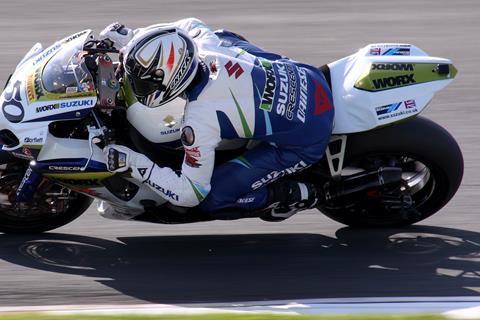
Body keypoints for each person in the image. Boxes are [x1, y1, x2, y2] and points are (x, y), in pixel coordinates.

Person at [100, 18, 334, 220]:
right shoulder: (202, 42)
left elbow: (190, 194)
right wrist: (131, 39)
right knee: (226, 37)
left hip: (308, 135)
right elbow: (184, 25)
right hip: (307, 76)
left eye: (142, 82)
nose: (133, 84)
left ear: (172, 80)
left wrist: (133, 163)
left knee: (214, 199)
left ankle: (294, 194)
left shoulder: (201, 120)